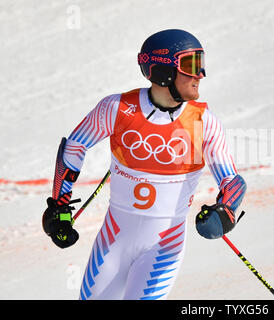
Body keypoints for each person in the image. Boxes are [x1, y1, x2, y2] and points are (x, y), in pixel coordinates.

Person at [42, 29, 247, 300]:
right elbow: (74, 147)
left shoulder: (204, 121)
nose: (200, 75)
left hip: (163, 247)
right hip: (113, 242)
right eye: (190, 65)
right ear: (162, 70)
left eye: (201, 64)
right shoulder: (116, 108)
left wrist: (225, 211)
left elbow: (232, 181)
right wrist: (60, 207)